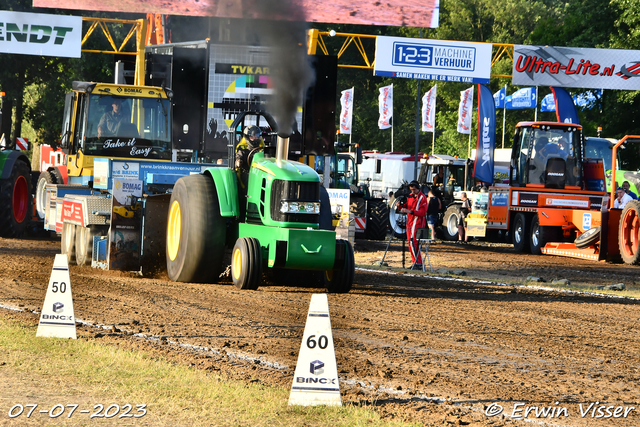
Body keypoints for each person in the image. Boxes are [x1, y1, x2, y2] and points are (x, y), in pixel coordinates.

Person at [400, 181, 428, 270]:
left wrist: (410, 212)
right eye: (411, 190)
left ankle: (418, 263)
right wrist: (400, 207)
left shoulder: (422, 198)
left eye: (414, 189)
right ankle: (414, 262)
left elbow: (422, 212)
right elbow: (406, 207)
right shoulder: (410, 197)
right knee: (410, 242)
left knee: (413, 242)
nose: (412, 191)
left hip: (417, 222)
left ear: (418, 188)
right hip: (410, 221)